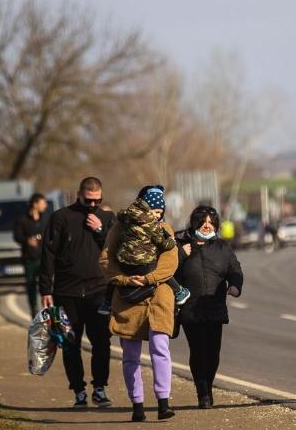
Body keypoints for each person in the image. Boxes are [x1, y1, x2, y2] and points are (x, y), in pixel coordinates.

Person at [103, 185, 181, 422]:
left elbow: (170, 262)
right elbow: (106, 259)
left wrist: (148, 278)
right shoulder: (119, 228)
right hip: (127, 299)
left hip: (159, 296)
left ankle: (163, 402)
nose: (157, 215)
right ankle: (137, 405)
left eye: (160, 211)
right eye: (154, 210)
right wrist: (125, 279)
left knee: (160, 348)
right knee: (130, 355)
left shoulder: (165, 229)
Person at [39, 177, 115, 409]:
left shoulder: (108, 218)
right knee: (70, 344)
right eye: (88, 201)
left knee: (102, 343)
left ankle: (99, 388)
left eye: (97, 201)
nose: (93, 205)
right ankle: (79, 391)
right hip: (66, 292)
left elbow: (114, 249)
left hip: (98, 291)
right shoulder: (61, 218)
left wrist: (100, 230)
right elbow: (48, 254)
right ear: (78, 195)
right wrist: (45, 289)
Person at [175, 205, 243, 409]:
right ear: (194, 223)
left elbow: (235, 269)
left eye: (211, 223)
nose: (206, 226)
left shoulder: (223, 247)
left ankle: (209, 386)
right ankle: (202, 392)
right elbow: (166, 270)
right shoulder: (181, 245)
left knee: (213, 353)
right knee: (198, 351)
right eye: (203, 222)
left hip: (215, 307)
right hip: (189, 308)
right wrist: (179, 254)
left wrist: (235, 286)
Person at [98, 188, 189, 316]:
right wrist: (172, 241)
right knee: (164, 274)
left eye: (160, 213)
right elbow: (163, 244)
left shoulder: (126, 219)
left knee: (113, 282)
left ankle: (106, 303)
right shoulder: (151, 223)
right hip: (143, 263)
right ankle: (179, 292)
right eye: (157, 212)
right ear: (148, 209)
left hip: (124, 263)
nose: (158, 216)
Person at [13, 193, 48, 318]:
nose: (45, 205)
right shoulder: (22, 219)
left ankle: (49, 310)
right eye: (43, 203)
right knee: (31, 284)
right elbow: (17, 236)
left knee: (47, 284)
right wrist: (26, 240)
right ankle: (34, 309)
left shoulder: (46, 218)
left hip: (44, 257)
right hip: (29, 258)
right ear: (35, 204)